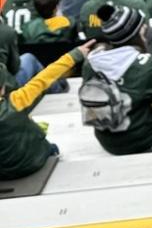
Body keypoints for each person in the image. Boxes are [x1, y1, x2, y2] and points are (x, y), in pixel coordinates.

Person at [77, 3, 152, 153]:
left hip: (106, 142)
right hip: (144, 140)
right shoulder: (145, 64)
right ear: (136, 33)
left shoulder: (90, 63)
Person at [2, 40, 97, 179]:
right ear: (3, 87)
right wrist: (75, 54)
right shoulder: (17, 100)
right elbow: (45, 76)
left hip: (3, 173)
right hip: (34, 162)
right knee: (52, 147)